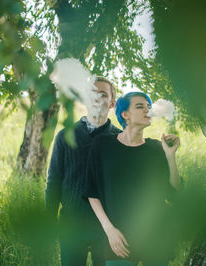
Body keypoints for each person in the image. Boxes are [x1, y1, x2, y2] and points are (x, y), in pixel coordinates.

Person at [83, 92, 181, 266]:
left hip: (155, 237)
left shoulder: (157, 149)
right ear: (124, 114)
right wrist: (109, 230)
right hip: (119, 238)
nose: (147, 110)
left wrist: (170, 156)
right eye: (140, 106)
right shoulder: (102, 144)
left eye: (148, 107)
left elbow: (174, 190)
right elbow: (92, 192)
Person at [45, 77, 121, 266]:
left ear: (112, 103)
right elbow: (54, 181)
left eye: (103, 94)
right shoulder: (65, 136)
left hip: (106, 228)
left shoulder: (119, 139)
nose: (96, 98)